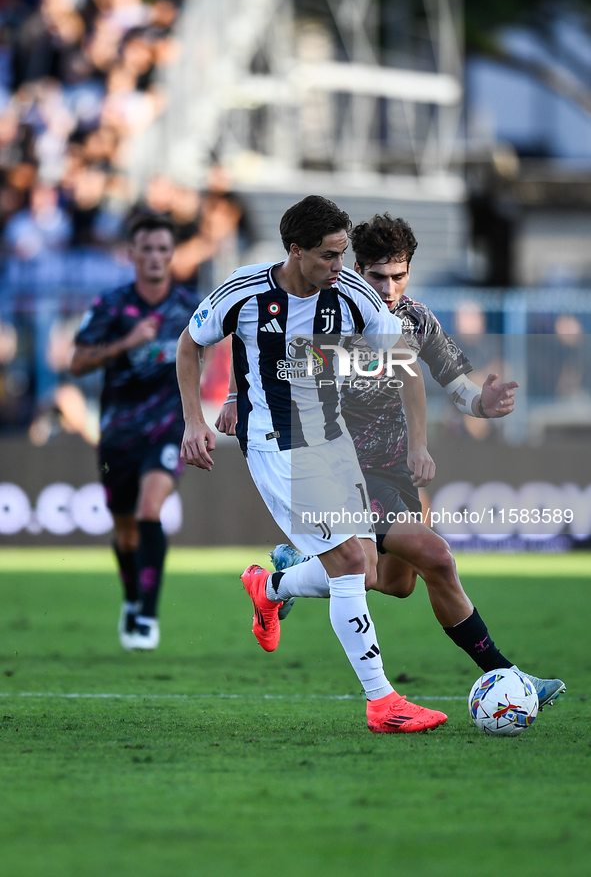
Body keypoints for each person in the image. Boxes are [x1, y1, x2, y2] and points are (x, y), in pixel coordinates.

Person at [217, 213, 566, 710]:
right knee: (437, 559)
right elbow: (265, 349)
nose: (386, 287)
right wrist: (235, 394)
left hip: (390, 467)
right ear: (356, 268)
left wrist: (480, 403)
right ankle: (509, 677)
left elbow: (453, 380)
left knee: (394, 582)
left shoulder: (417, 319)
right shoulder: (331, 308)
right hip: (339, 467)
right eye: (376, 276)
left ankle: (277, 582)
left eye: (397, 276)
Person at [177, 194, 448, 734]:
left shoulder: (350, 296)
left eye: (343, 254)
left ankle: (270, 588)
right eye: (329, 256)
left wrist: (418, 443)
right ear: (295, 251)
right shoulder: (244, 290)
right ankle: (382, 702)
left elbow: (406, 367)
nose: (340, 267)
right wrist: (194, 421)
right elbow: (190, 345)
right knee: (349, 564)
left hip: (331, 440)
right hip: (275, 443)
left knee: (367, 569)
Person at [70, 214, 196, 651]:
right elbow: (77, 363)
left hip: (166, 427)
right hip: (117, 434)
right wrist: (126, 344)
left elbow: (219, 347)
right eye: (148, 249)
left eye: (164, 249)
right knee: (125, 530)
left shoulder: (189, 307)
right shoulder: (111, 305)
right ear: (132, 254)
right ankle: (131, 598)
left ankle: (146, 615)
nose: (156, 257)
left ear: (172, 254)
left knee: (149, 510)